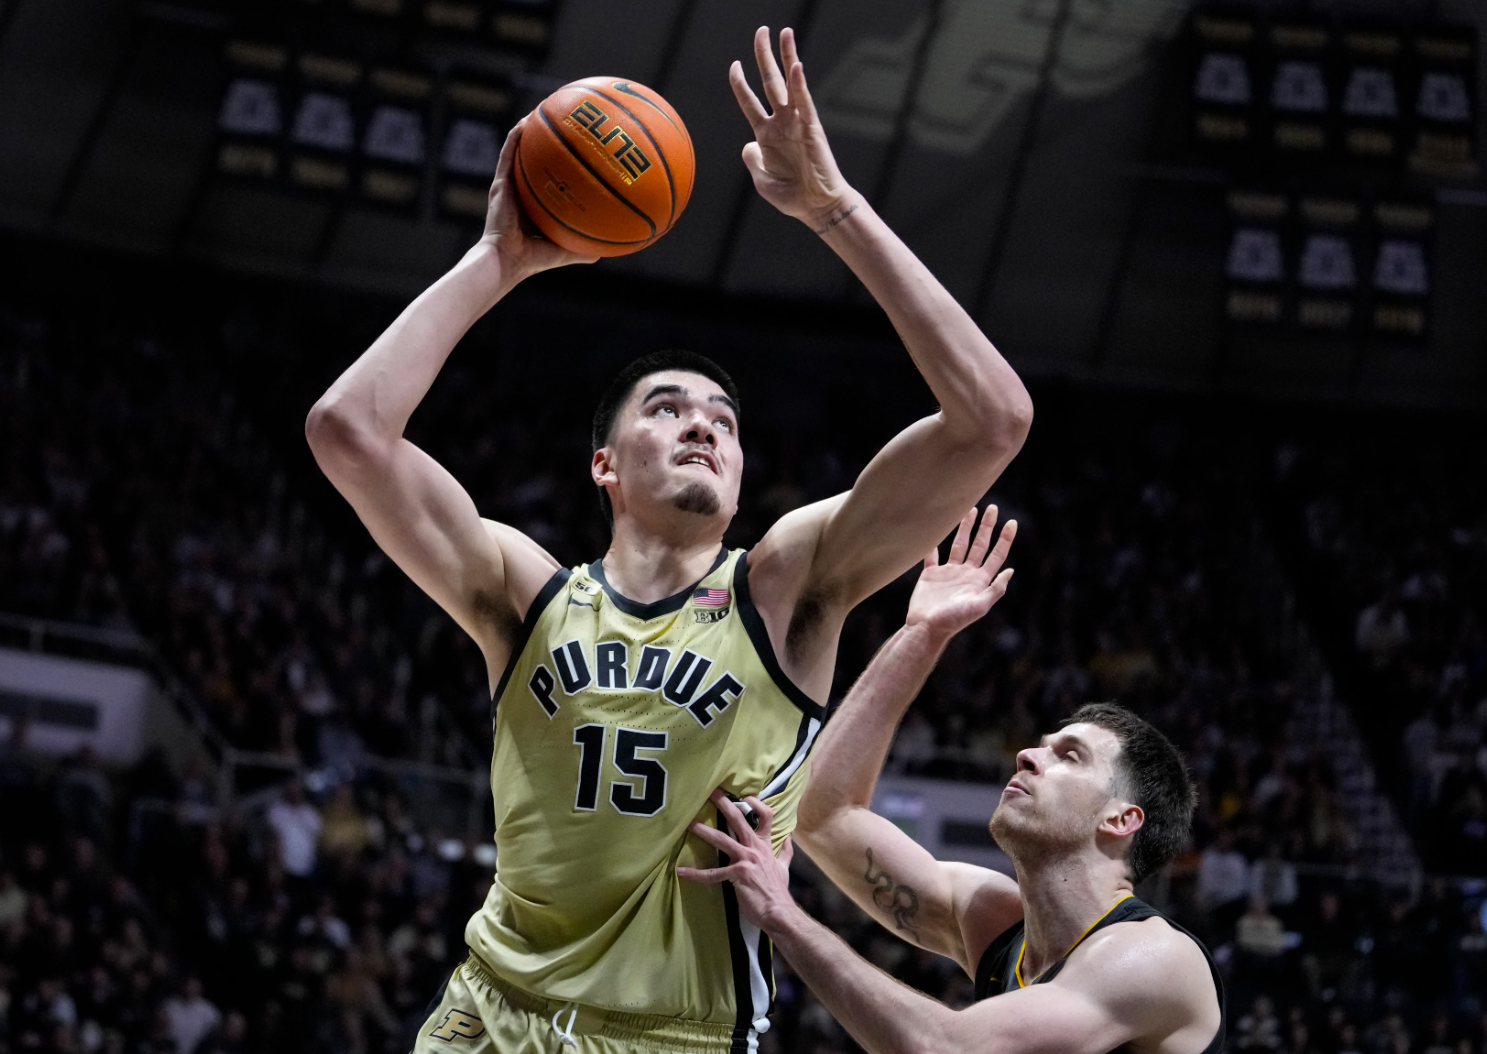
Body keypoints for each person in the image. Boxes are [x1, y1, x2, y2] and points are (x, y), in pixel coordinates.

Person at [305, 24, 1032, 1054]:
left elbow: (990, 421)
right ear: (603, 464)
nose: (702, 423)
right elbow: (347, 432)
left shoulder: (785, 584)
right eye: (666, 408)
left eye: (724, 421)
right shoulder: (525, 590)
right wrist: (496, 260)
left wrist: (833, 209)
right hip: (488, 1018)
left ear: (738, 482)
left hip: (672, 1039)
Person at [680, 508, 1223, 1054]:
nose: (1030, 755)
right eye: (1042, 744)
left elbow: (949, 1050)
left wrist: (784, 918)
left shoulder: (1151, 958)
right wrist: (923, 633)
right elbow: (823, 814)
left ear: (1121, 818)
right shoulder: (994, 919)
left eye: (1071, 756)